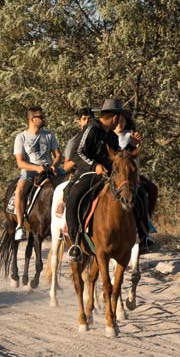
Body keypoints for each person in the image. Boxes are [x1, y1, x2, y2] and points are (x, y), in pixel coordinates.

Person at [63, 98, 138, 257]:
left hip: (110, 176)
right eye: (120, 118)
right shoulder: (91, 129)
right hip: (87, 174)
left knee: (140, 191)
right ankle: (76, 241)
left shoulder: (111, 136)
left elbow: (117, 157)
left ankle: (143, 234)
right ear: (115, 118)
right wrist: (94, 166)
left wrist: (132, 147)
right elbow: (76, 153)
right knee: (74, 199)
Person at [12, 106, 61, 241]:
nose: (44, 119)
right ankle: (20, 225)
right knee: (20, 190)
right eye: (41, 117)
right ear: (33, 119)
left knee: (69, 186)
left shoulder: (49, 135)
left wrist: (54, 165)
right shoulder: (21, 138)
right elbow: (20, 162)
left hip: (49, 170)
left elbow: (57, 155)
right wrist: (36, 168)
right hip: (30, 173)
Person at [115, 109, 157, 249]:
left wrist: (136, 144)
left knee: (150, 189)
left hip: (131, 175)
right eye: (117, 121)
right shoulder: (107, 135)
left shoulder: (130, 135)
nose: (119, 124)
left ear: (126, 122)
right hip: (114, 174)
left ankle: (145, 229)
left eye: (122, 121)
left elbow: (135, 157)